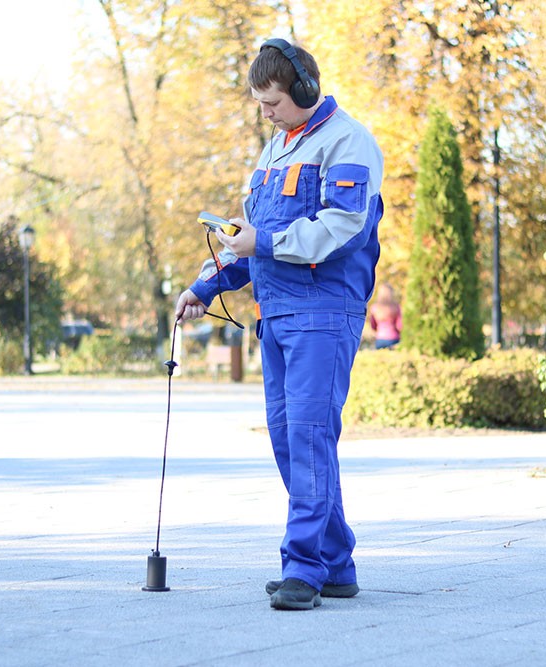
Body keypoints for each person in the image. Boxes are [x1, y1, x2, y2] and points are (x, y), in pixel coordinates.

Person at [175, 38, 384, 611]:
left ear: (305, 90)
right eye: (260, 103)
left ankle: (303, 568)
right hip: (277, 317)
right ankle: (337, 564)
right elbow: (252, 241)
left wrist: (261, 239)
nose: (265, 113)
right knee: (289, 440)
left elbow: (342, 227)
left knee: (310, 438)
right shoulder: (273, 152)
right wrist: (204, 285)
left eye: (272, 102)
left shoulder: (348, 142)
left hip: (323, 313)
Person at [367, 282, 402, 349]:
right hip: (394, 339)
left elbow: (373, 326)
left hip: (380, 339)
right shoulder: (396, 307)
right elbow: (399, 326)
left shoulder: (375, 308)